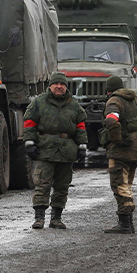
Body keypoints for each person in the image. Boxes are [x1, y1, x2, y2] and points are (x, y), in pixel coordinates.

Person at [23, 71, 88, 230]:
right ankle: (39, 219)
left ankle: (56, 219)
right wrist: (29, 144)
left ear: (66, 86)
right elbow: (29, 123)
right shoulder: (38, 103)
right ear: (50, 86)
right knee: (42, 185)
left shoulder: (74, 105)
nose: (59, 87)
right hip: (45, 150)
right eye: (56, 84)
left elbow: (80, 127)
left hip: (66, 151)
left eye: (62, 84)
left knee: (62, 186)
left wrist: (82, 147)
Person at [101, 75, 137, 234]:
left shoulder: (114, 101)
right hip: (135, 147)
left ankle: (124, 223)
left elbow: (111, 120)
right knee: (127, 183)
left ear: (109, 90)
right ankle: (128, 223)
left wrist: (116, 139)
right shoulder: (134, 100)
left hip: (121, 149)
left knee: (118, 183)